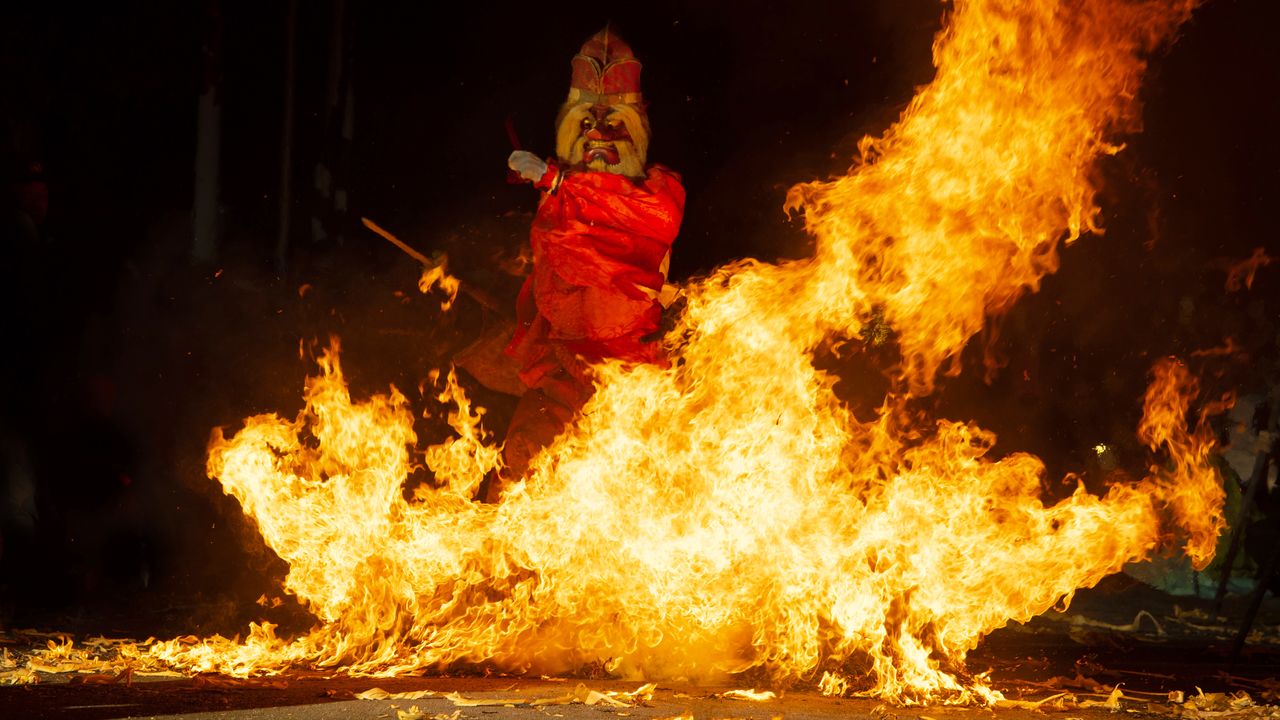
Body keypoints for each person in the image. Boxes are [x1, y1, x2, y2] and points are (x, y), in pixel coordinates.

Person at [490, 26, 685, 500]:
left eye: (614, 121)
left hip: (624, 380)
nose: (599, 133)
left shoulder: (659, 193)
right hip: (560, 371)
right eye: (586, 122)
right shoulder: (558, 198)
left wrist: (556, 180)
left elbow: (624, 214)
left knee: (626, 501)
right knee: (515, 473)